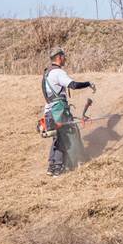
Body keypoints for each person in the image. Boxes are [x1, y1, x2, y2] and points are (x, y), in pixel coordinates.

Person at [42, 46, 95, 176]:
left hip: (50, 110)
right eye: (64, 56)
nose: (65, 58)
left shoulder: (46, 73)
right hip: (59, 110)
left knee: (58, 137)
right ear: (59, 57)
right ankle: (68, 165)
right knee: (69, 134)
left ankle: (53, 166)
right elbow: (73, 85)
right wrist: (88, 83)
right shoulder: (58, 72)